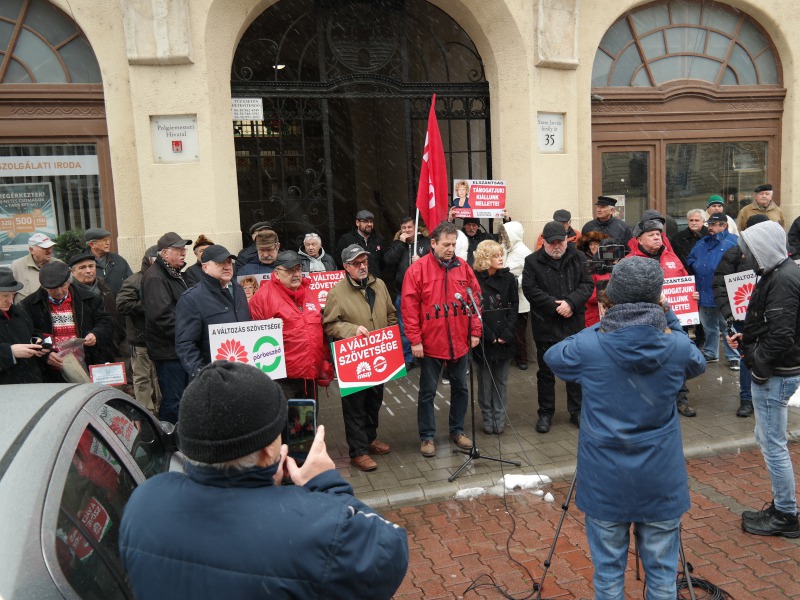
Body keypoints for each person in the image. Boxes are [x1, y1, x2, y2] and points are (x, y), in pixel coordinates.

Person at [119, 361, 409, 599]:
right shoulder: (322, 528)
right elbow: (390, 552)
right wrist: (326, 483)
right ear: (269, 450)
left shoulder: (144, 500)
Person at [545, 256, 706, 598]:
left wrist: (604, 323)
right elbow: (697, 362)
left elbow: (554, 356)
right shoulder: (676, 346)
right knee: (662, 577)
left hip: (605, 479)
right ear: (657, 298)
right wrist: (668, 316)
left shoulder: (590, 345)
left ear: (612, 298)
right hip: (660, 480)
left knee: (607, 574)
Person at [726, 220, 800, 538]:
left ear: (764, 249)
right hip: (775, 369)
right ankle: (783, 505)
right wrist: (746, 341)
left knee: (773, 444)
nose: (745, 257)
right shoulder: (777, 273)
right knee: (769, 440)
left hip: (775, 374)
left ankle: (786, 514)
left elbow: (782, 335)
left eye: (749, 251)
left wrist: (758, 369)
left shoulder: (782, 278)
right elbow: (772, 325)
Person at [401, 221, 482, 457]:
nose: (450, 248)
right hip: (430, 343)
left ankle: (457, 431)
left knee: (461, 389)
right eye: (446, 244)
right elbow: (409, 308)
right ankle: (427, 437)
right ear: (433, 243)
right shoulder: (417, 270)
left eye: (454, 244)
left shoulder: (463, 267)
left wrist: (475, 330)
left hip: (459, 340)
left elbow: (475, 299)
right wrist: (415, 340)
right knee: (427, 392)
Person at [323, 245, 396, 471]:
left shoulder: (379, 284)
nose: (362, 266)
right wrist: (351, 330)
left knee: (374, 401)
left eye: (364, 261)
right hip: (354, 359)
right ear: (346, 267)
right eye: (356, 263)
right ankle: (358, 451)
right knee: (355, 406)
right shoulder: (337, 292)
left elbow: (391, 314)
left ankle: (369, 438)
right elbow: (330, 324)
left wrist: (389, 338)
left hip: (378, 355)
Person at [522, 221, 593, 433]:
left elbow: (587, 284)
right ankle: (545, 413)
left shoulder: (578, 257)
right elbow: (530, 289)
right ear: (543, 242)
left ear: (566, 241)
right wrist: (556, 307)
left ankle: (577, 410)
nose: (556, 247)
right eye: (552, 243)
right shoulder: (532, 261)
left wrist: (571, 303)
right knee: (545, 373)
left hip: (573, 323)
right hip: (546, 324)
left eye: (560, 242)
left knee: (575, 368)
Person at [628, 219, 699, 417]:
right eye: (651, 235)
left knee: (676, 360)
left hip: (673, 322)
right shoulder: (630, 262)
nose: (656, 237)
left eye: (658, 234)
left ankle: (681, 399)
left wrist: (692, 295)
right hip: (646, 323)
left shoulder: (672, 258)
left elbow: (684, 281)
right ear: (639, 240)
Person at [250, 250, 329, 401]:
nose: (296, 274)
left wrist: (324, 361)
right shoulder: (262, 298)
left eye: (298, 269)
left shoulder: (309, 292)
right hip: (282, 381)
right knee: (286, 423)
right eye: (290, 270)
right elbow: (253, 340)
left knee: (308, 422)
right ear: (277, 273)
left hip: (310, 376)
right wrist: (265, 329)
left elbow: (319, 330)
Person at [713, 214, 770, 419]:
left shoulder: (777, 255)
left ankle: (766, 398)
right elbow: (719, 285)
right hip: (744, 319)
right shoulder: (735, 254)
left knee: (770, 356)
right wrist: (730, 313)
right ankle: (747, 399)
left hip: (770, 318)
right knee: (747, 359)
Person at [22, 261, 113, 382]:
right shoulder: (30, 305)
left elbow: (105, 321)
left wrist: (96, 334)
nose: (59, 291)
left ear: (70, 281)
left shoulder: (90, 299)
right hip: (52, 369)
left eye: (63, 286)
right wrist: (46, 354)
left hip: (87, 361)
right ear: (44, 287)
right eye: (53, 289)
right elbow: (29, 333)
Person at [175, 245, 251, 380]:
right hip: (213, 380)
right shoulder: (192, 298)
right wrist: (203, 374)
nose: (227, 266)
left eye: (229, 262)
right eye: (220, 262)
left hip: (243, 375)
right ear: (205, 267)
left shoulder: (239, 291)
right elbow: (186, 344)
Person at [141, 231, 192, 423]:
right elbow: (161, 317)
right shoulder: (155, 277)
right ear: (164, 253)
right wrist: (188, 336)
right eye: (178, 249)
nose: (184, 253)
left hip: (178, 349)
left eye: (184, 249)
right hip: (169, 351)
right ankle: (170, 445)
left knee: (183, 399)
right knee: (174, 402)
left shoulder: (174, 274)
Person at [472, 240, 517, 434]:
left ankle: (500, 419)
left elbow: (514, 308)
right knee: (485, 382)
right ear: (485, 258)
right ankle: (487, 418)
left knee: (502, 381)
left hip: (505, 337)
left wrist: (506, 333)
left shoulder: (509, 279)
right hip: (485, 338)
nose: (500, 258)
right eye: (495, 256)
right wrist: (489, 335)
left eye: (501, 255)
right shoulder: (475, 279)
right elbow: (474, 311)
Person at [687, 213, 740, 367]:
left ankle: (733, 356)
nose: (709, 227)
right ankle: (711, 352)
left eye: (713, 224)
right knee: (709, 326)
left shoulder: (734, 242)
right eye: (709, 224)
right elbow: (690, 259)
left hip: (725, 292)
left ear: (723, 226)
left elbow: (740, 265)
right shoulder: (702, 241)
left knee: (728, 325)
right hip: (703, 290)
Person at [117, 246, 161, 415]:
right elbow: (121, 305)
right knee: (143, 379)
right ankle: (146, 416)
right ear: (150, 260)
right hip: (141, 339)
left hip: (161, 338)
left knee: (158, 378)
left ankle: (158, 410)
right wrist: (147, 306)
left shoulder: (163, 279)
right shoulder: (134, 280)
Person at [383, 216, 431, 368]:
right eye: (404, 228)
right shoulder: (398, 243)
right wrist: (400, 244)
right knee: (404, 327)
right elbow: (388, 261)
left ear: (415, 227)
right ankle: (408, 357)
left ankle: (426, 355)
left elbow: (435, 263)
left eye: (409, 227)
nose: (407, 230)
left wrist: (421, 261)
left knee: (425, 325)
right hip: (403, 293)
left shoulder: (425, 242)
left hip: (423, 293)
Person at [0, 268, 47, 384]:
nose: (10, 301)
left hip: (31, 381)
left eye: (13, 295)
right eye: (5, 295)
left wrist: (37, 341)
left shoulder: (18, 311)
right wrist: (10, 352)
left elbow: (32, 331)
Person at [499, 221, 533, 370]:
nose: (503, 238)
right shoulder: (505, 248)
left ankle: (522, 358)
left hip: (519, 298)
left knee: (519, 330)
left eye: (505, 235)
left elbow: (527, 275)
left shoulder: (524, 252)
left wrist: (512, 283)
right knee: (506, 328)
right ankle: (509, 355)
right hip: (505, 296)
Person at [334, 209, 387, 278]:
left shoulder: (378, 239)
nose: (369, 224)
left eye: (371, 221)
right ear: (357, 223)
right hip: (354, 282)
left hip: (374, 281)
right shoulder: (346, 239)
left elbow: (382, 263)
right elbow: (340, 262)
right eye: (365, 221)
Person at [10, 232, 59, 303]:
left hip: (52, 311)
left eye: (50, 247)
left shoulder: (58, 265)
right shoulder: (16, 266)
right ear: (31, 250)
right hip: (24, 312)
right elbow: (9, 292)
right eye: (44, 247)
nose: (49, 251)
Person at [84, 227, 132, 295]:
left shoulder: (118, 260)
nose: (108, 243)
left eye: (108, 240)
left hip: (118, 303)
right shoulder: (82, 263)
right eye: (104, 240)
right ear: (92, 244)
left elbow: (131, 283)